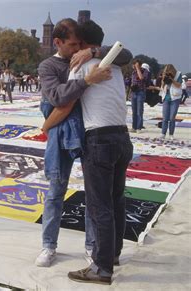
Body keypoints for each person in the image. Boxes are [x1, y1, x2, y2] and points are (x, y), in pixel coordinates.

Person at [36, 18, 132, 268]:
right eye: (74, 44)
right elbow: (58, 99)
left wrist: (93, 51)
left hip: (89, 133)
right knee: (56, 192)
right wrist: (88, 80)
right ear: (57, 42)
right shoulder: (48, 65)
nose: (78, 49)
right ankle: (49, 245)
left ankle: (93, 248)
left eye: (82, 44)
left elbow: (125, 53)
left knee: (95, 198)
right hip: (61, 134)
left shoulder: (86, 58)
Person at [64, 20, 133, 285]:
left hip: (99, 139)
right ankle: (112, 254)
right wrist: (96, 53)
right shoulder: (114, 63)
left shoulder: (80, 65)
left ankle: (101, 268)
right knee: (116, 201)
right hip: (121, 137)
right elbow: (125, 53)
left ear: (80, 43)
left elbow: (65, 100)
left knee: (99, 206)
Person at [159, 64, 182, 140]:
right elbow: (162, 86)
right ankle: (163, 133)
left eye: (169, 71)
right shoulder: (165, 75)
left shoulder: (178, 74)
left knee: (172, 118)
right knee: (165, 117)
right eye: (166, 71)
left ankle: (171, 134)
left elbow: (178, 85)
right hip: (166, 98)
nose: (168, 73)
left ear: (172, 70)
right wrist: (164, 79)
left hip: (175, 98)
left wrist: (172, 79)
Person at [130, 59, 149, 133]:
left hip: (141, 92)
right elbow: (132, 82)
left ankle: (139, 127)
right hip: (133, 92)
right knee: (134, 111)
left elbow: (141, 78)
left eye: (136, 65)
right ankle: (134, 127)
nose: (134, 66)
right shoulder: (133, 72)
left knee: (139, 111)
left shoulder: (145, 71)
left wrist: (138, 68)